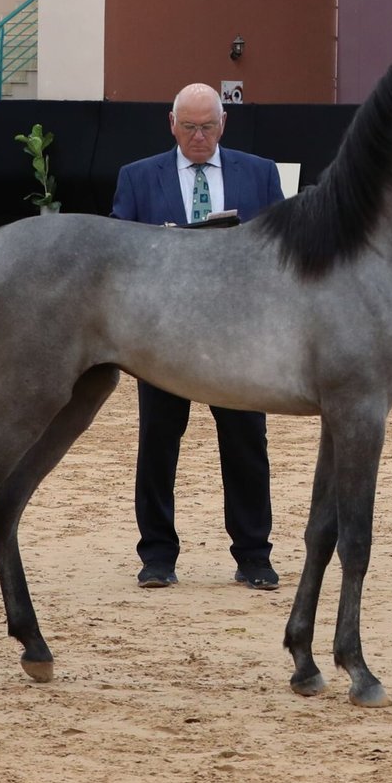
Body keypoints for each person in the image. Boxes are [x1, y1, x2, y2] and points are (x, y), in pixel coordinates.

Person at [112, 82, 285, 591]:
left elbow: (283, 249)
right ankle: (158, 556)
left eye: (207, 127)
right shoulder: (139, 177)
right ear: (172, 124)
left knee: (247, 444)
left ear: (222, 124)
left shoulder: (259, 173)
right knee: (158, 444)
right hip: (164, 337)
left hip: (238, 336)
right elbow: (117, 252)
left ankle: (254, 555)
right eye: (188, 127)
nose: (198, 136)